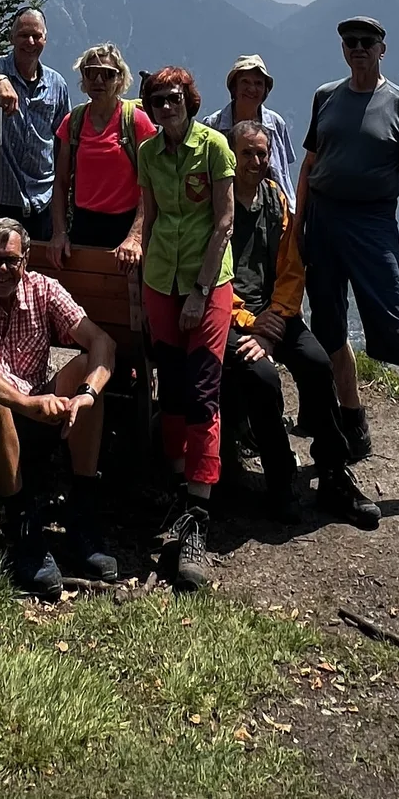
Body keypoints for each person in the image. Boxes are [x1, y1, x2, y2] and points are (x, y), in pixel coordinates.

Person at [297, 15, 399, 522]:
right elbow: (309, 164)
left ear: (383, 49)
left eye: (366, 42)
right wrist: (298, 229)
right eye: (349, 42)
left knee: (396, 339)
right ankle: (353, 425)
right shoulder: (325, 96)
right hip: (324, 222)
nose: (357, 49)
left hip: (373, 227)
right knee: (328, 330)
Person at [0, 216, 119, 597]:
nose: (3, 270)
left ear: (26, 261)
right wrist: (23, 402)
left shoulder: (44, 290)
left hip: (35, 420)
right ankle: (21, 522)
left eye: (12, 261)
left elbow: (102, 342)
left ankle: (82, 508)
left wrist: (86, 393)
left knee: (89, 371)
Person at [219, 119, 378, 527]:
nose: (256, 160)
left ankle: (333, 471)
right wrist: (251, 321)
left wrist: (276, 314)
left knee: (316, 362)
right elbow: (215, 276)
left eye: (262, 152)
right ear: (231, 157)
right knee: (262, 377)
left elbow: (292, 267)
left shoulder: (276, 200)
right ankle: (280, 477)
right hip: (232, 317)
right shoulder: (217, 204)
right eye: (247, 153)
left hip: (274, 314)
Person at [136, 65, 237, 591]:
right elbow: (149, 219)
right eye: (156, 100)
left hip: (207, 284)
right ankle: (179, 487)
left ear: (189, 100)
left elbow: (223, 221)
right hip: (159, 281)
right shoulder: (149, 154)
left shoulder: (216, 147)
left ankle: (199, 510)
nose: (166, 106)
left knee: (202, 393)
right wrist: (144, 285)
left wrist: (199, 291)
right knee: (171, 389)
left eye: (173, 98)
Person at [43, 44, 154, 259]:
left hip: (125, 226)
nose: (99, 80)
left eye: (108, 74)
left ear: (120, 80)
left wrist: (135, 237)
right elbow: (61, 182)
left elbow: (149, 185)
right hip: (83, 225)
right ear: (83, 78)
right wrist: (59, 233)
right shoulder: (73, 122)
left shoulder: (137, 122)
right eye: (92, 72)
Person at [0, 8, 71, 243]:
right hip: (2, 198)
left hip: (43, 201)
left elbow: (62, 141)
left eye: (37, 36)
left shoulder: (57, 84)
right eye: (23, 35)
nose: (30, 42)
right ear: (11, 37)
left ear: (45, 39)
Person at [205, 55, 296, 195]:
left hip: (273, 208)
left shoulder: (276, 124)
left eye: (258, 83)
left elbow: (284, 171)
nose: (252, 89)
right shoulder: (213, 125)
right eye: (245, 82)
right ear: (234, 87)